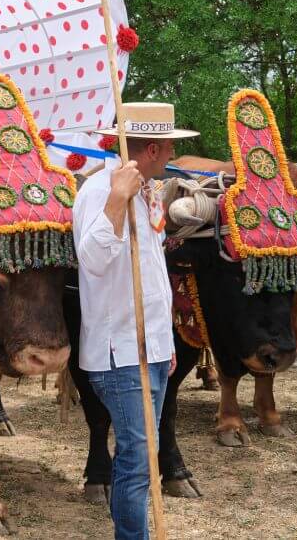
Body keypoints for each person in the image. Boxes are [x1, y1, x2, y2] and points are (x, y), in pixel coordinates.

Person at [73, 102, 198, 540]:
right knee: (138, 460)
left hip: (150, 349)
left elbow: (154, 277)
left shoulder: (148, 193)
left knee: (147, 453)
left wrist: (163, 347)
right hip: (120, 352)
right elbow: (90, 259)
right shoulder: (99, 192)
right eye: (167, 150)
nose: (170, 159)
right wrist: (116, 197)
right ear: (152, 148)